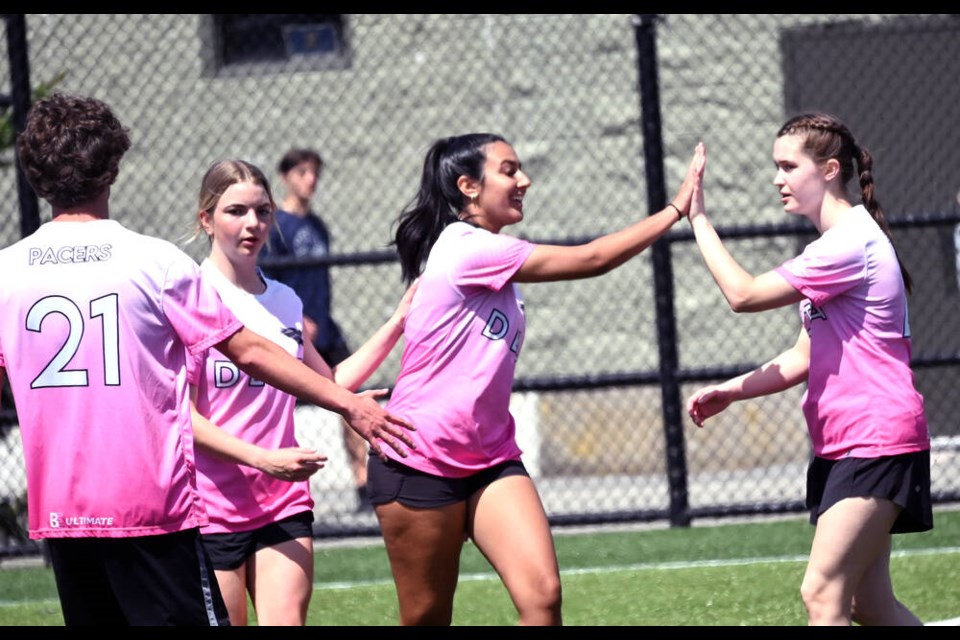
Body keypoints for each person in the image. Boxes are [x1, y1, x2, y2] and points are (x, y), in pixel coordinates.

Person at [0, 92, 414, 626]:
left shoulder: (7, 271)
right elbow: (249, 352)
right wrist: (347, 404)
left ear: (33, 174)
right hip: (151, 509)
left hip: (62, 514)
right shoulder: (154, 262)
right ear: (114, 168)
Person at [370, 132, 705, 625]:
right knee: (426, 617)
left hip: (489, 456)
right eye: (508, 170)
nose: (524, 179)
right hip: (419, 456)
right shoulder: (469, 248)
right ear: (468, 186)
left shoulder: (490, 255)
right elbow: (591, 259)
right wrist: (676, 209)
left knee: (542, 598)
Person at [684, 114, 932, 626]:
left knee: (822, 593)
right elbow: (803, 356)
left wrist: (699, 221)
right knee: (869, 604)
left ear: (828, 169)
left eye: (787, 166)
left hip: (875, 439)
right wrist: (732, 391)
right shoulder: (834, 246)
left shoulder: (848, 244)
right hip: (845, 443)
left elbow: (743, 294)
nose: (777, 178)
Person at [188, 158, 416, 625]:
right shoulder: (188, 298)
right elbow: (181, 418)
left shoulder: (284, 301)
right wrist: (258, 457)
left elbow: (328, 383)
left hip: (282, 497)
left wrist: (398, 322)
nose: (253, 223)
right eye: (236, 211)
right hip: (211, 507)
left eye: (262, 211)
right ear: (206, 219)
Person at [259, 148, 371, 510]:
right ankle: (269, 485)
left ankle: (364, 485)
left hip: (327, 332)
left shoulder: (317, 225)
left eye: (315, 173)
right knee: (275, 405)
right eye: (303, 172)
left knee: (352, 398)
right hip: (290, 334)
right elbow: (264, 278)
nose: (310, 180)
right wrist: (293, 319)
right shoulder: (275, 226)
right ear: (286, 177)